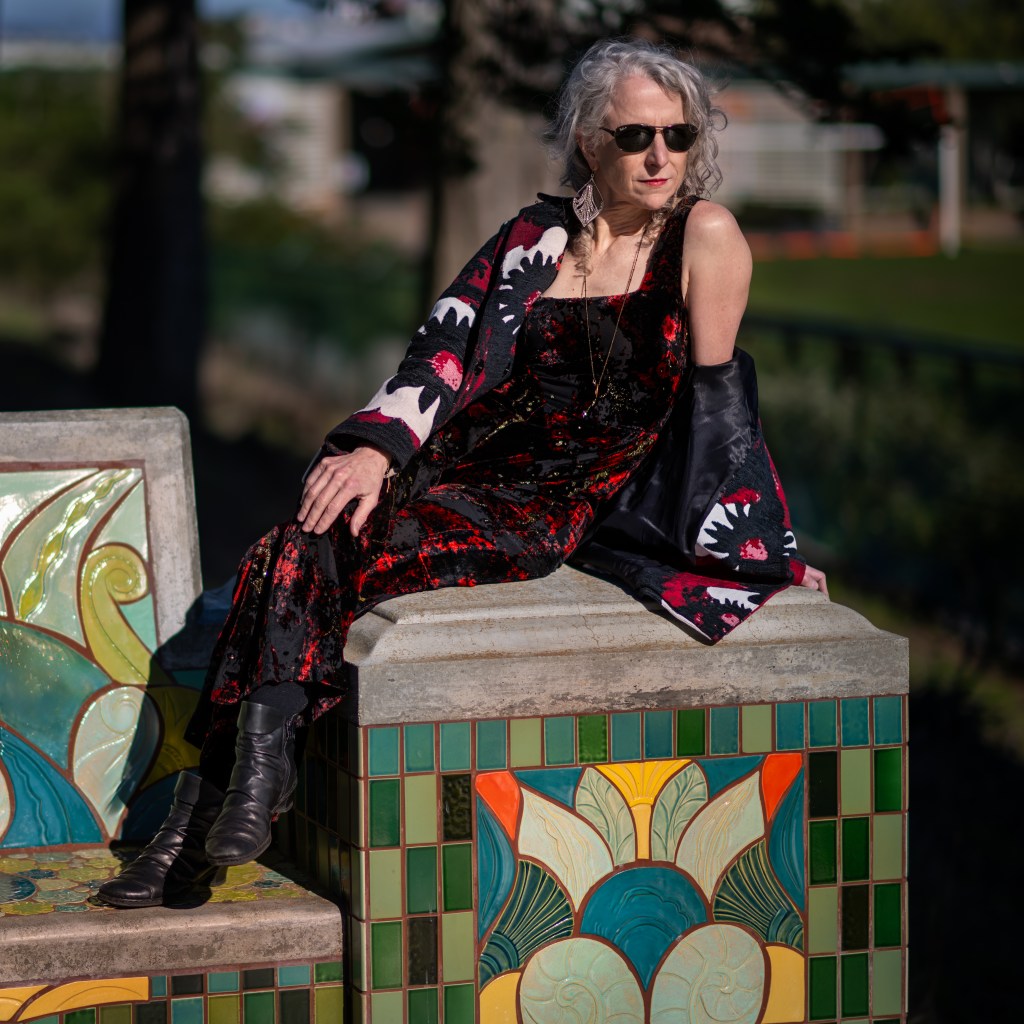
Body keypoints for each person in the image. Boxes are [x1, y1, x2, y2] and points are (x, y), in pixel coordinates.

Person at [97, 37, 826, 909]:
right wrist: (374, 449)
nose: (660, 155)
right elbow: (441, 347)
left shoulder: (704, 236)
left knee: (304, 556)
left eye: (679, 134)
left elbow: (719, 409)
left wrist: (761, 549)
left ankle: (203, 816)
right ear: (589, 139)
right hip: (456, 466)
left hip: (541, 502)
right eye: (635, 136)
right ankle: (237, 795)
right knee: (297, 542)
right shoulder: (535, 237)